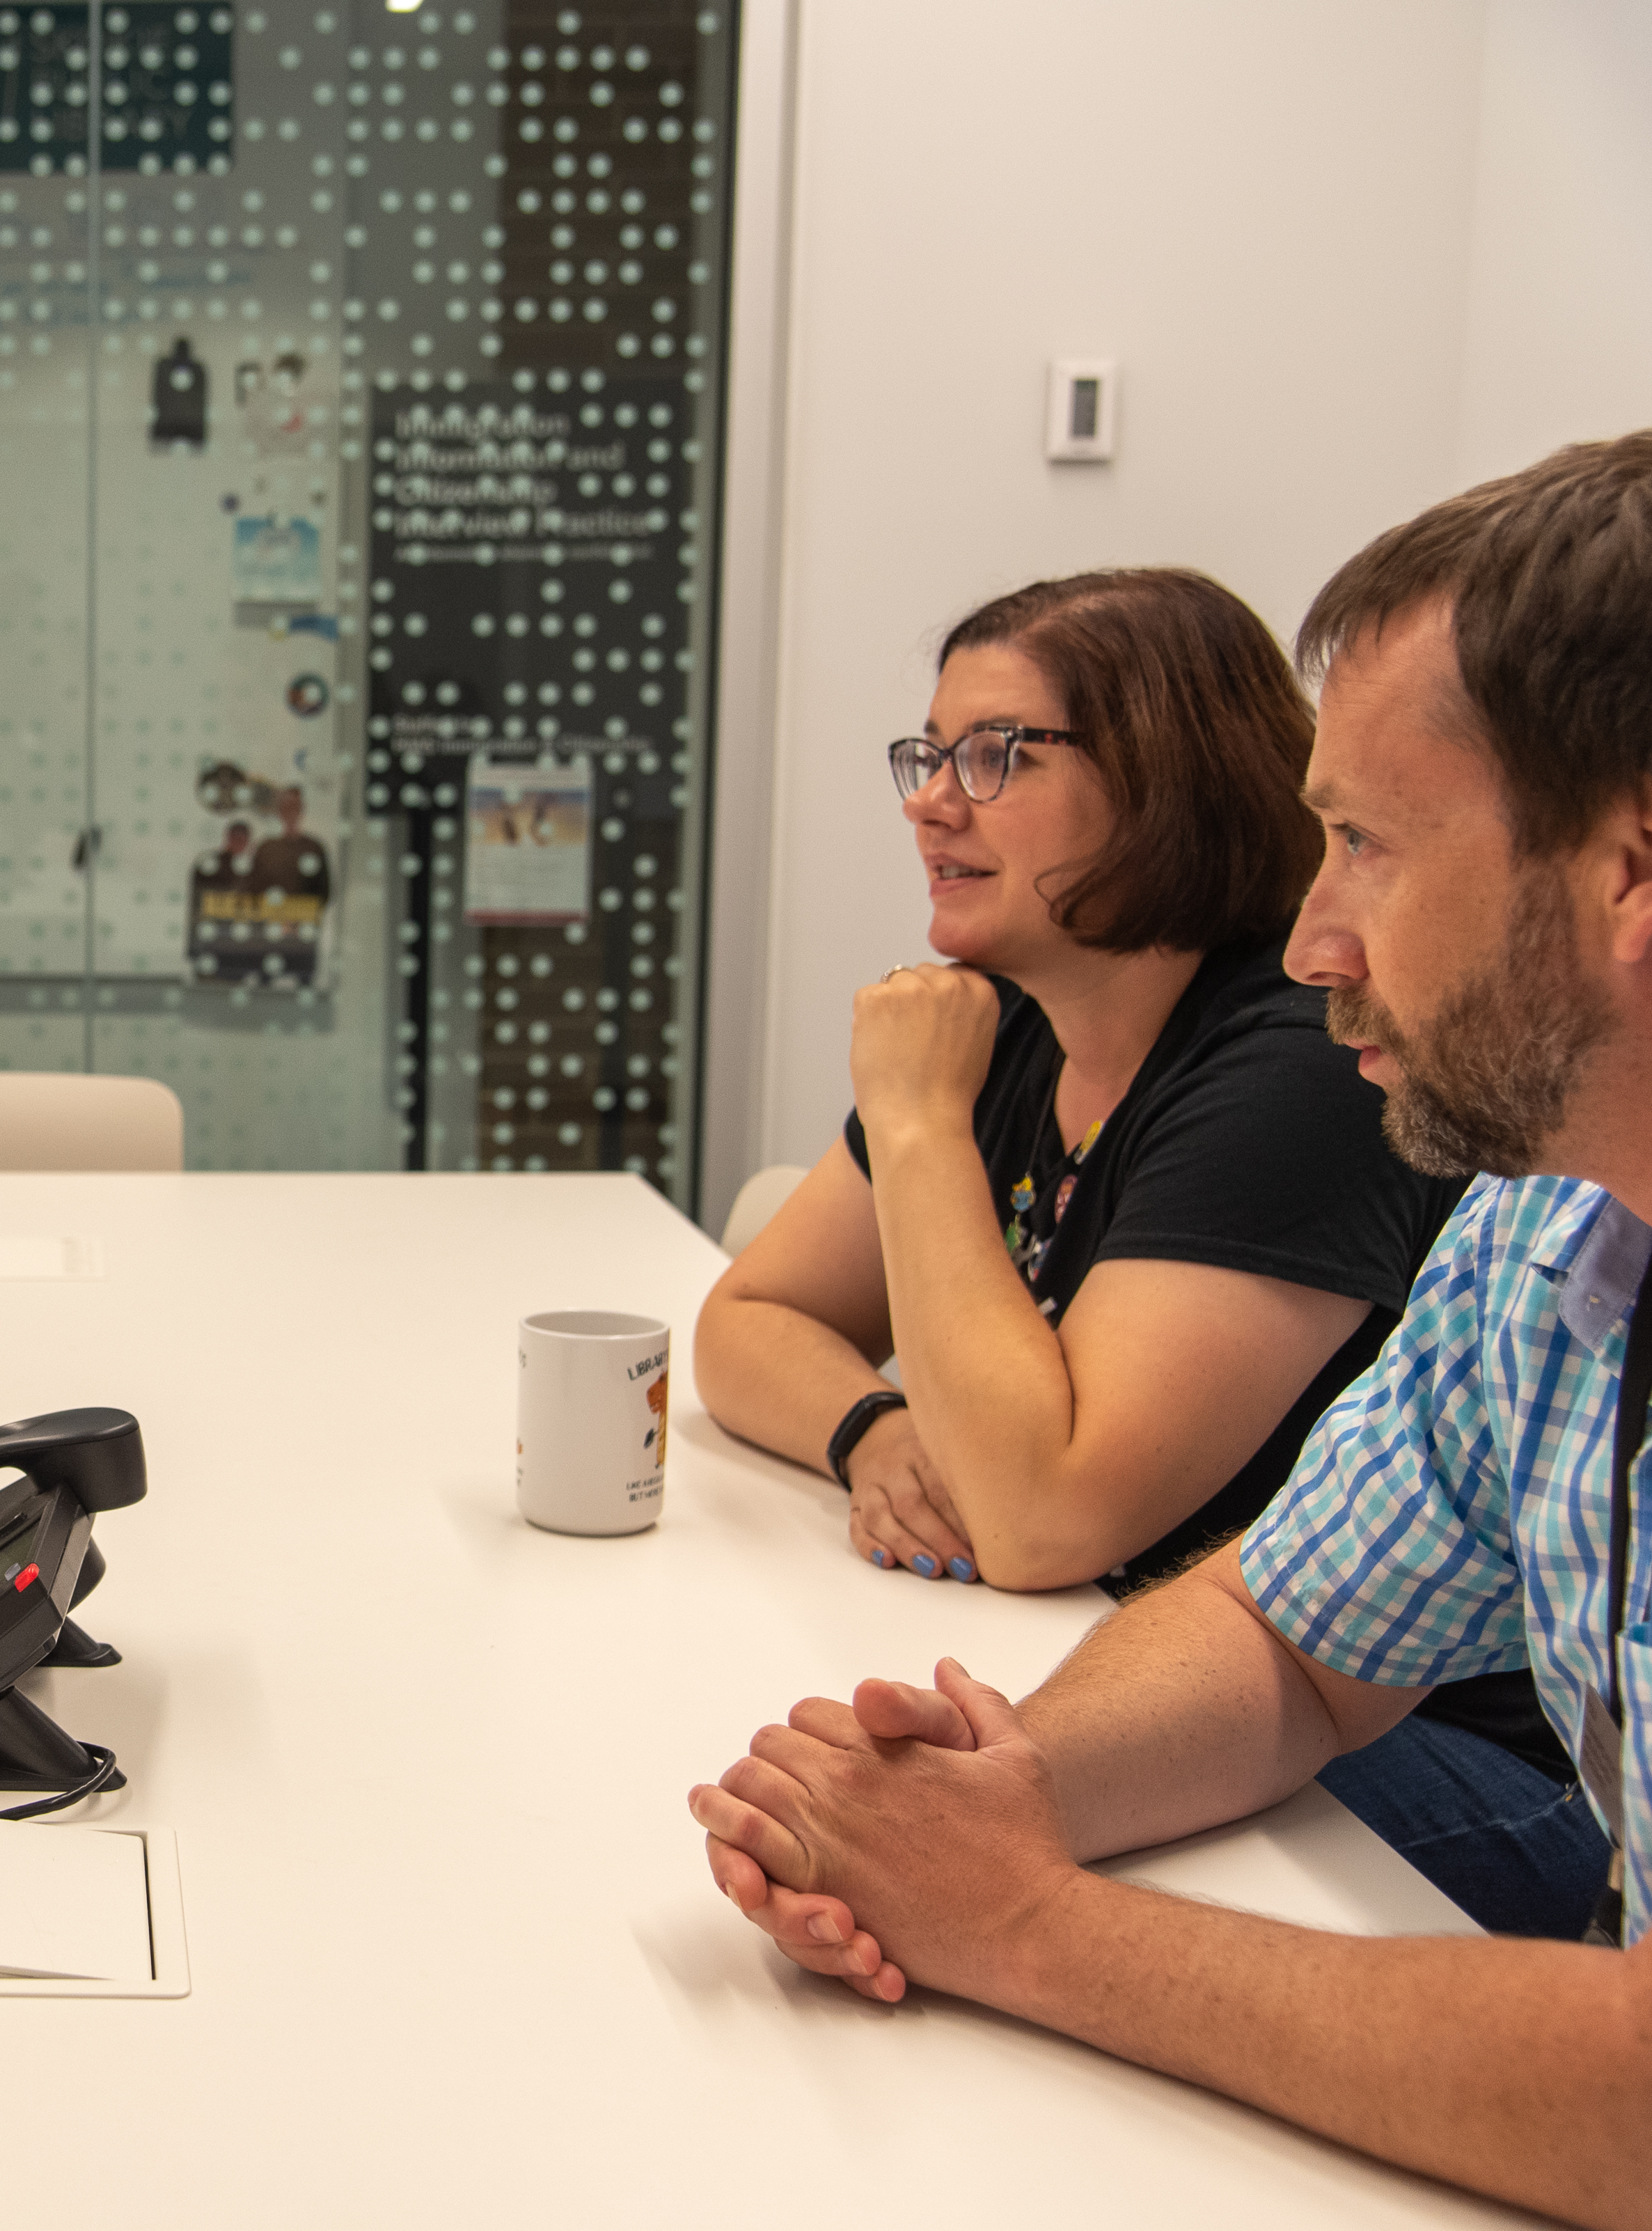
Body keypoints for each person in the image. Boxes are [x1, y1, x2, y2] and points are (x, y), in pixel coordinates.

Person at [688, 433, 1652, 2228]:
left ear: (1627, 874)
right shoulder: (1537, 1236)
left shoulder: (1312, 1084)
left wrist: (1032, 1920)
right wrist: (996, 1795)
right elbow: (1290, 1638)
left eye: (1365, 844)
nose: (1314, 940)